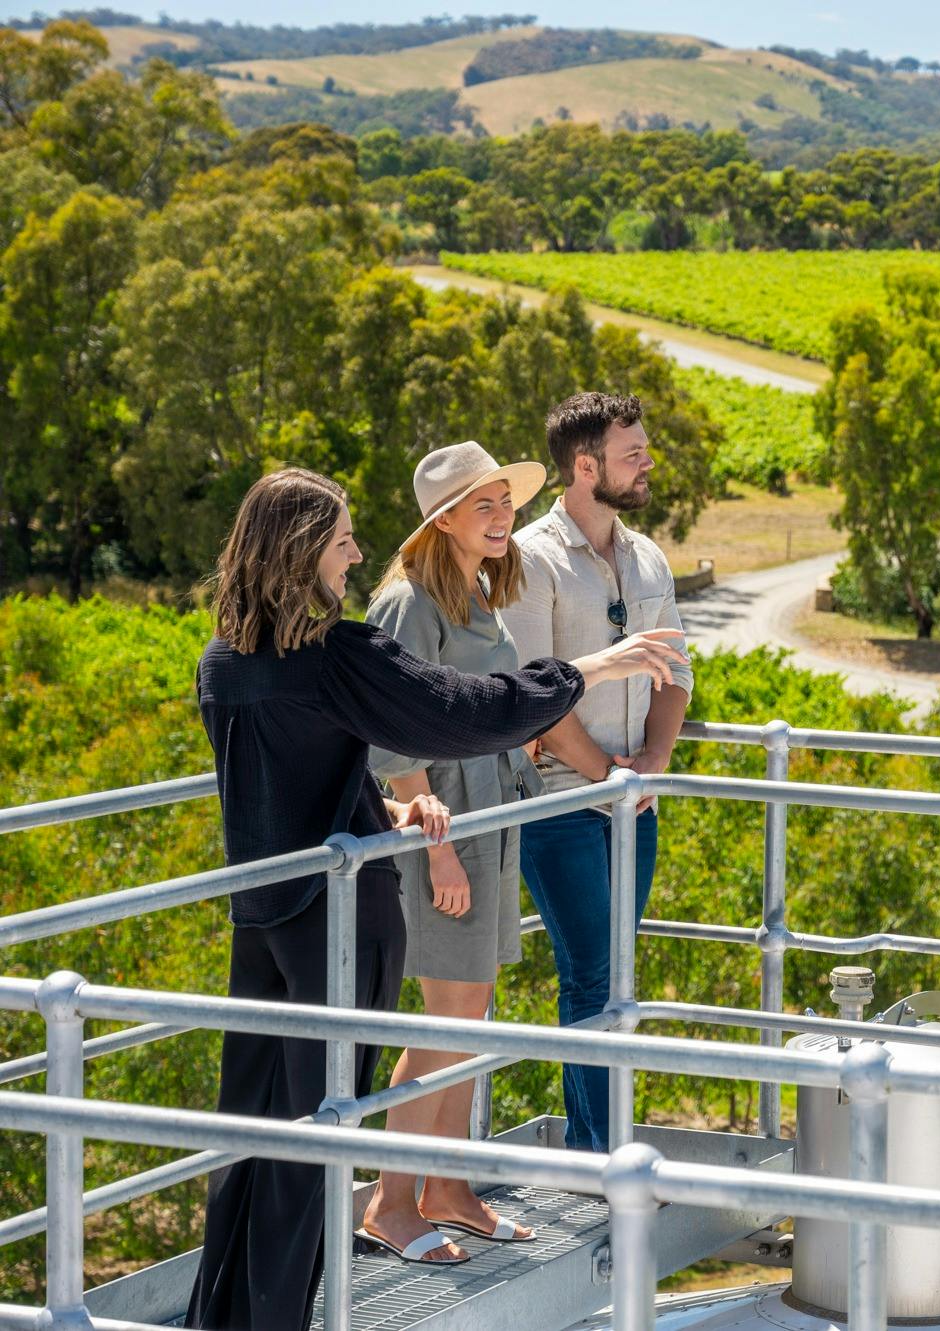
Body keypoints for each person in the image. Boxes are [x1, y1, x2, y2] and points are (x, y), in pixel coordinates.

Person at [188, 468, 687, 1330]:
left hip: (262, 919)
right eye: (341, 538)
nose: (352, 553)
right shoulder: (333, 655)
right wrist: (587, 669)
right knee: (324, 1136)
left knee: (254, 1134)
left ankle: (225, 1313)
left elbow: (284, 788)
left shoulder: (224, 663)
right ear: (302, 549)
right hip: (340, 927)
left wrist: (382, 806)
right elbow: (462, 711)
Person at [355, 442, 561, 1265]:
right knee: (446, 1019)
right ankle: (391, 1202)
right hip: (445, 834)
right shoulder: (408, 601)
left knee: (470, 1016)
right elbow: (387, 725)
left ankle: (447, 1187)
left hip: (490, 821)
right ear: (442, 519)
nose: (503, 513)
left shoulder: (470, 589)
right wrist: (435, 847)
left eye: (506, 500)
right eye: (485, 504)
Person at [502, 392, 694, 1153]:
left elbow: (676, 672)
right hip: (558, 803)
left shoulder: (649, 556)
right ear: (584, 468)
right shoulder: (529, 557)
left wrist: (650, 765)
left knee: (618, 979)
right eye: (632, 454)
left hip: (634, 802)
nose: (647, 465)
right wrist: (604, 775)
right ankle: (601, 1157)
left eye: (644, 450)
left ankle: (602, 1147)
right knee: (590, 972)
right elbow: (529, 694)